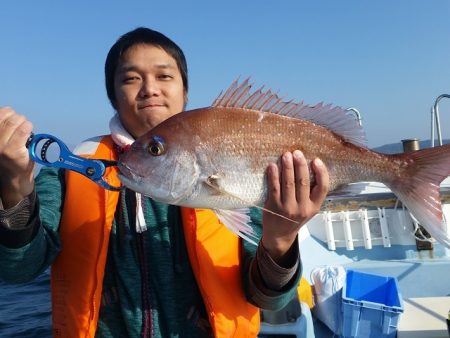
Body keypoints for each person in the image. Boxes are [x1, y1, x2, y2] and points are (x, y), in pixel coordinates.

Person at [0, 27, 329, 338]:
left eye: (164, 75)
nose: (149, 88)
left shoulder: (229, 166)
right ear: (113, 96)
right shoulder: (71, 170)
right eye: (130, 78)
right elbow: (20, 270)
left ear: (185, 91)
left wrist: (280, 241)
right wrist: (14, 188)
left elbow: (268, 299)